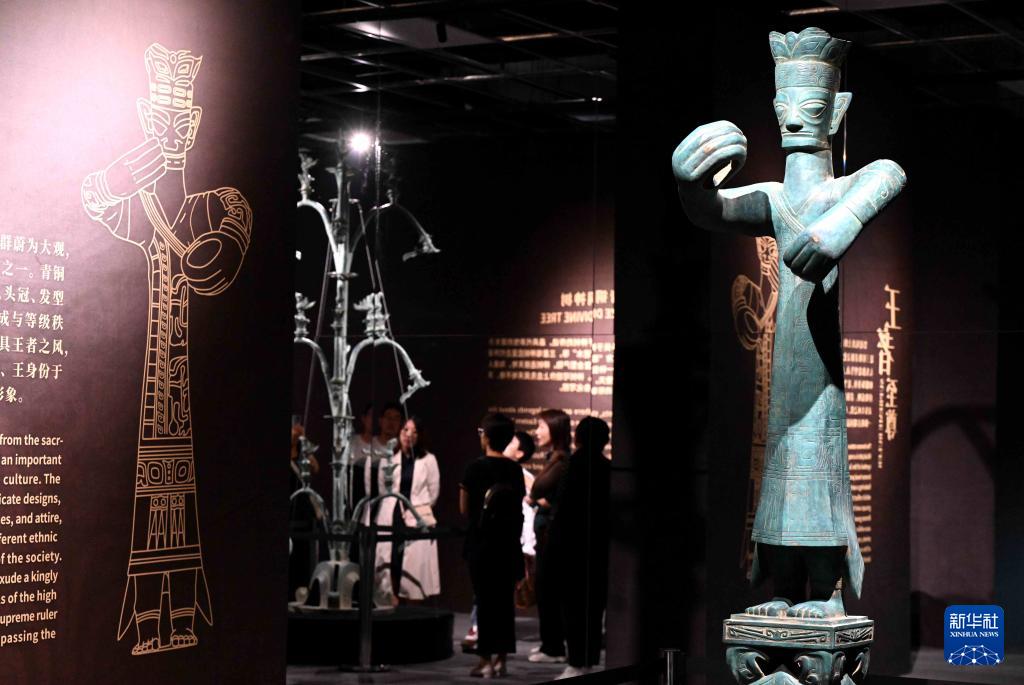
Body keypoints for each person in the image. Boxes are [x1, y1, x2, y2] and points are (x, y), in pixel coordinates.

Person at [461, 413, 525, 678]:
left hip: (481, 543)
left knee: (484, 602)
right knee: (504, 603)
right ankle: (502, 660)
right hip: (508, 544)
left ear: (486, 437)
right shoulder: (515, 470)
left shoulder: (474, 468)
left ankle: (485, 660)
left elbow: (464, 508)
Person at [551, 417, 611, 679]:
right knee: (594, 608)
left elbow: (562, 507)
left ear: (578, 438)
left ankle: (577, 661)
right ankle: (587, 659)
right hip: (598, 547)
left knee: (573, 607)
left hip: (572, 546)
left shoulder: (574, 465)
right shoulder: (607, 467)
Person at [372, 417, 441, 602]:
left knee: (411, 561)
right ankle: (390, 597)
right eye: (405, 429)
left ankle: (409, 601)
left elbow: (433, 493)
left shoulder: (428, 460)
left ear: (419, 436)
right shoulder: (388, 458)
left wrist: (418, 506)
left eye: (414, 431)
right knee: (392, 558)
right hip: (392, 514)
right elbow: (382, 489)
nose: (408, 434)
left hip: (416, 515)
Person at [527, 409, 571, 663]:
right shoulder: (555, 458)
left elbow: (538, 488)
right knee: (545, 588)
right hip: (547, 533)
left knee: (549, 589)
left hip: (553, 535)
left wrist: (537, 499)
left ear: (554, 429)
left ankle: (553, 647)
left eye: (541, 426)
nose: (537, 432)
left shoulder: (561, 460)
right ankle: (549, 644)